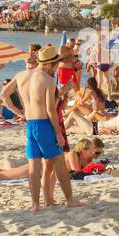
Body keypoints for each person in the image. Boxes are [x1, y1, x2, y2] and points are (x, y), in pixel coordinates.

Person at [18, 44, 83, 212]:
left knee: (34, 166)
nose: (56, 68)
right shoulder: (47, 79)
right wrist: (58, 133)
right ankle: (69, 200)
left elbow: (5, 95)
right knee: (59, 161)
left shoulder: (23, 77)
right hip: (44, 124)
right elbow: (50, 109)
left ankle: (35, 204)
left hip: (30, 124)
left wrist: (18, 112)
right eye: (55, 65)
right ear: (48, 64)